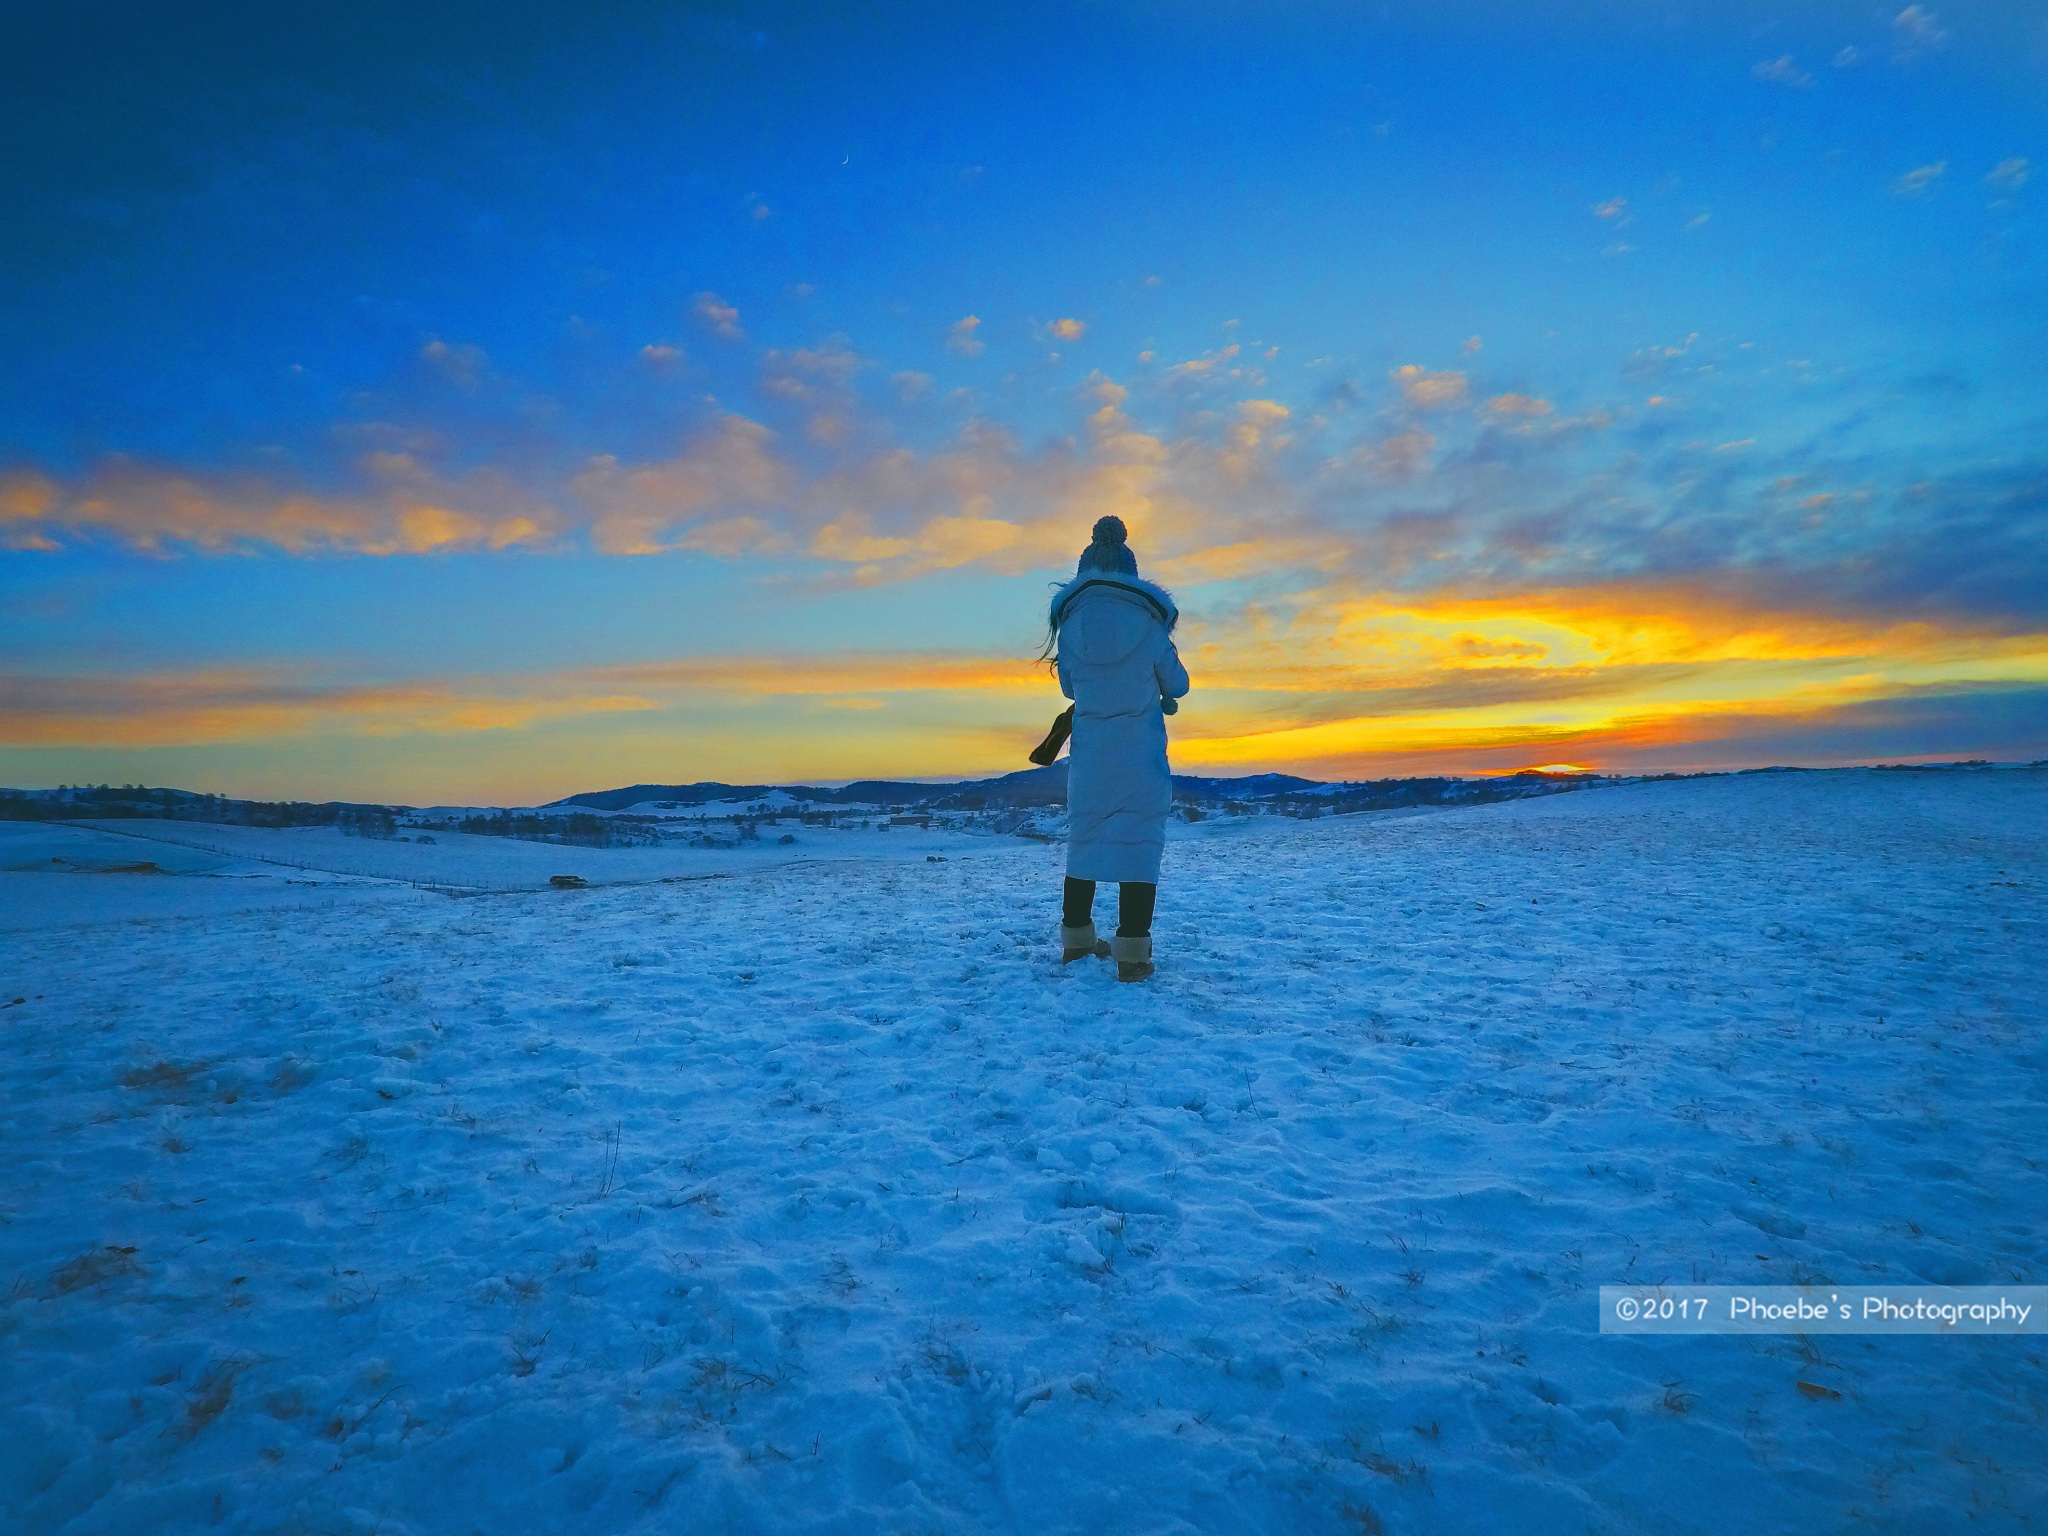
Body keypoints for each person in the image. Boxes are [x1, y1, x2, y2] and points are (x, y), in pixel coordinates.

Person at [1045, 515, 1190, 982]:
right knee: (1139, 842)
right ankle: (1131, 954)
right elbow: (1180, 684)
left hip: (1090, 752)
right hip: (1139, 753)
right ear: (1129, 574)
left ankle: (1077, 942)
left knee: (1084, 838)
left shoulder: (1070, 628)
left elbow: (1070, 687)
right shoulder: (1149, 624)